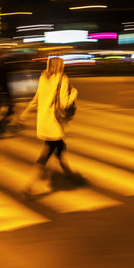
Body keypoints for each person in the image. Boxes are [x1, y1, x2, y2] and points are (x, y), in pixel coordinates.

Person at [18, 57, 78, 199]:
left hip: (44, 121)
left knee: (60, 148)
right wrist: (74, 93)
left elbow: (36, 99)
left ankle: (70, 175)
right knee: (46, 154)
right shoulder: (62, 78)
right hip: (54, 123)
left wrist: (24, 115)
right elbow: (64, 104)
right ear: (61, 66)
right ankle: (28, 186)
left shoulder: (43, 77)